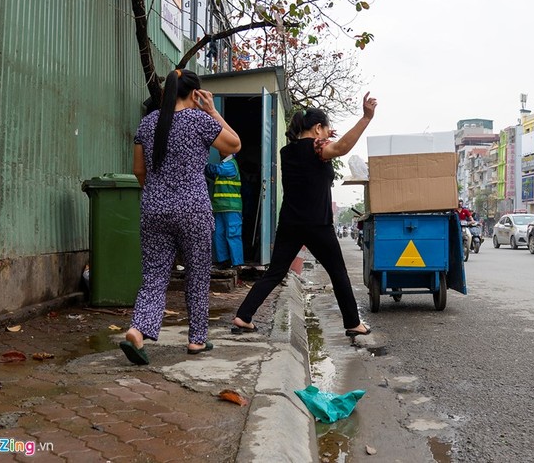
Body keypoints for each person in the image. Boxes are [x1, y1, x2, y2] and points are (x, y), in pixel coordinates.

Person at [121, 69, 242, 365]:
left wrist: (156, 195)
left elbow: (139, 171)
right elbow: (234, 144)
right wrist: (212, 110)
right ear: (195, 93)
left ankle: (139, 330)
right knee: (197, 275)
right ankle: (197, 340)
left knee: (154, 275)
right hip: (193, 209)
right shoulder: (200, 120)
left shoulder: (148, 124)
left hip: (154, 208)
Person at [232, 94, 377, 337]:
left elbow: (315, 151)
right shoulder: (318, 148)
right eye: (326, 129)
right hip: (317, 224)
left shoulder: (287, 151)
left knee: (275, 272)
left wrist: (323, 137)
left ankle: (243, 316)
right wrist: (366, 118)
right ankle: (353, 323)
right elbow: (340, 148)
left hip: (289, 222)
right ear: (318, 128)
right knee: (338, 273)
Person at [205, 153, 244, 269]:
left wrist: (201, 163)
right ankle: (223, 261)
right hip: (220, 207)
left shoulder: (230, 165)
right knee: (218, 234)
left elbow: (215, 169)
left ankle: (237, 263)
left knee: (233, 234)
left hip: (232, 207)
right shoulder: (225, 165)